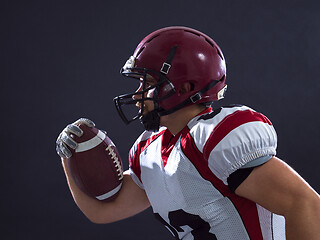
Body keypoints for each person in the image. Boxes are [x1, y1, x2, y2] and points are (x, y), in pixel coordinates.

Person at [56, 26, 320, 240]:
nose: (137, 95)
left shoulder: (214, 139)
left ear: (184, 88)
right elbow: (103, 211)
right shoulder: (150, 150)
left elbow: (305, 205)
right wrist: (69, 157)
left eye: (146, 83)